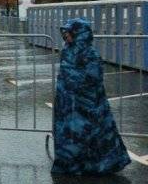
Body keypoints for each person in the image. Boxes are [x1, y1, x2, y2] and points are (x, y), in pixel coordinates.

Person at [51, 18, 131, 175]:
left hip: (86, 104)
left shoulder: (90, 53)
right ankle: (70, 165)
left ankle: (96, 166)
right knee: (70, 135)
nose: (66, 35)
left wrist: (73, 84)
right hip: (68, 104)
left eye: (69, 32)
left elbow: (93, 78)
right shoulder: (67, 50)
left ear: (79, 33)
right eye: (65, 32)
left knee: (91, 135)